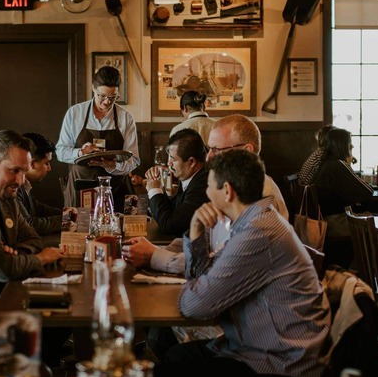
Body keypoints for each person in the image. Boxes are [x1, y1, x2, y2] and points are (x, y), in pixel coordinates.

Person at [154, 150, 331, 377]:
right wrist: (196, 233)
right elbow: (205, 280)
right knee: (176, 357)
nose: (205, 192)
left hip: (283, 369)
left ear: (226, 191)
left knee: (168, 372)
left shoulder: (258, 232)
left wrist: (197, 287)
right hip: (260, 350)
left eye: (208, 185)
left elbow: (195, 305)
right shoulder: (252, 223)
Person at [122, 115, 290, 273]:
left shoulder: (261, 198)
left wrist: (153, 256)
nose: (208, 158)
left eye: (216, 149)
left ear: (246, 151)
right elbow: (207, 242)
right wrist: (156, 250)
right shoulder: (233, 189)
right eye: (209, 149)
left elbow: (218, 266)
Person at [0, 130, 64, 305]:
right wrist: (40, 258)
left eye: (23, 172)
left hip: (6, 292)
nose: (19, 180)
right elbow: (3, 268)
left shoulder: (7, 197)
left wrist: (14, 255)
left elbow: (32, 238)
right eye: (13, 170)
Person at [56, 66, 140, 211]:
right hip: (81, 187)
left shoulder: (125, 117)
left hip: (116, 188)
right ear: (93, 89)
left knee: (119, 230)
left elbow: (134, 160)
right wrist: (81, 153)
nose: (107, 102)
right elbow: (60, 152)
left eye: (113, 97)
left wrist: (114, 167)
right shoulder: (75, 113)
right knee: (79, 230)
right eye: (102, 96)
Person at [144, 129, 209, 237]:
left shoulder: (202, 185)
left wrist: (154, 190)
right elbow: (174, 210)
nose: (168, 163)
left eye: (173, 159)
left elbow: (170, 226)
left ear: (191, 162)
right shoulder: (189, 174)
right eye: (169, 156)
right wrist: (158, 186)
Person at [314, 128, 373, 237]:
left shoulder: (328, 163)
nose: (352, 147)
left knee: (375, 216)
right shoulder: (338, 165)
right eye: (350, 144)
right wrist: (348, 163)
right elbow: (367, 191)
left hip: (328, 218)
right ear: (342, 145)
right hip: (335, 222)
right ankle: (372, 254)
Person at [17, 132, 64, 235]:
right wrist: (65, 221)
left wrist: (65, 214)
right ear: (32, 164)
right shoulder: (14, 187)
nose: (49, 168)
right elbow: (29, 224)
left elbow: (37, 208)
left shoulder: (25, 184)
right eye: (46, 163)